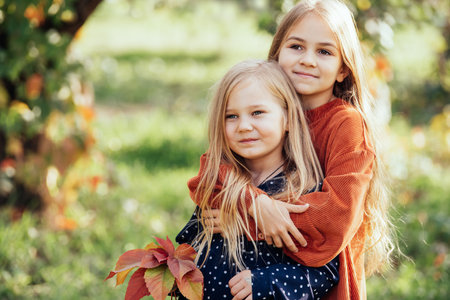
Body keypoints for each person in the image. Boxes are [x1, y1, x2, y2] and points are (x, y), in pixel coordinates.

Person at [186, 0, 395, 299]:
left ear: (342, 69)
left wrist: (248, 218)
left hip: (316, 280)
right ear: (277, 54)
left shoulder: (346, 125)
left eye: (324, 51)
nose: (308, 60)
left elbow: (335, 218)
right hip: (252, 275)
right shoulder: (262, 109)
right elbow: (213, 168)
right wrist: (255, 203)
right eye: (296, 46)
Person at [176, 59, 340, 299]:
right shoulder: (220, 186)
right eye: (231, 116)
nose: (243, 126)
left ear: (287, 118)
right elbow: (192, 242)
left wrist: (266, 283)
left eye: (257, 113)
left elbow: (324, 271)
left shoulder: (302, 191)